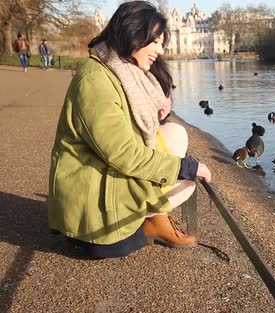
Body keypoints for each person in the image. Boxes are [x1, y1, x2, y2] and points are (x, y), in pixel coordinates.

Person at [48, 1, 212, 259]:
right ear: (133, 34)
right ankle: (146, 223)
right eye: (155, 42)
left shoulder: (119, 68)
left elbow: (127, 125)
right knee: (185, 182)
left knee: (175, 133)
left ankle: (153, 219)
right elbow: (123, 153)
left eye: (162, 42)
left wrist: (158, 112)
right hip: (93, 218)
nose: (161, 50)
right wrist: (185, 167)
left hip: (102, 172)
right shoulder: (95, 80)